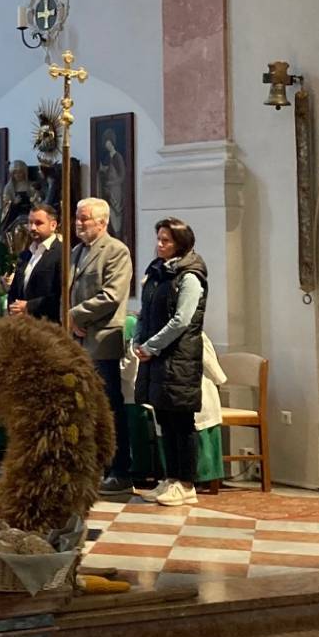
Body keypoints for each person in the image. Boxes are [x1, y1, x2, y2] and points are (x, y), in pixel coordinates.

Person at [135, 217, 207, 507]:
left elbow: (181, 321)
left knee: (181, 420)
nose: (160, 244)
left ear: (180, 243)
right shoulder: (157, 272)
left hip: (179, 358)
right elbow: (145, 311)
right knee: (164, 418)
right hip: (157, 356)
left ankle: (186, 483)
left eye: (166, 240)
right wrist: (138, 341)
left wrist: (152, 346)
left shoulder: (190, 276)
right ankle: (171, 478)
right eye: (159, 239)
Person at [66, 197, 135, 497]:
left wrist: (75, 315)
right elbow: (67, 290)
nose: (79, 224)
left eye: (85, 219)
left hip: (102, 339)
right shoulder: (76, 252)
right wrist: (69, 318)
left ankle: (120, 470)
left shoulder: (116, 251)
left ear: (103, 222)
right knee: (82, 407)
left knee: (107, 407)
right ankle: (91, 467)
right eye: (78, 218)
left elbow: (111, 294)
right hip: (76, 339)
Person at [6, 204, 64, 322]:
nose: (32, 228)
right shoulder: (26, 255)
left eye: (38, 223)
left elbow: (61, 294)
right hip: (22, 325)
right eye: (30, 222)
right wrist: (13, 308)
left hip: (48, 326)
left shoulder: (62, 253)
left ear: (53, 225)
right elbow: (14, 290)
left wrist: (28, 306)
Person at [195, 333, 228, 495]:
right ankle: (198, 477)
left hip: (201, 388)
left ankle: (205, 477)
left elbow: (208, 361)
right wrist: (220, 379)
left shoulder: (197, 335)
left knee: (202, 426)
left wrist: (219, 379)